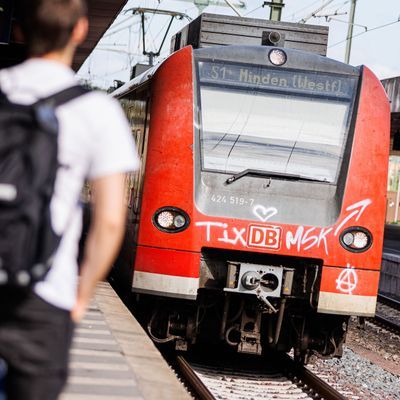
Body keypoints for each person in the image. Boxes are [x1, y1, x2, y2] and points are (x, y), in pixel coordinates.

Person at [0, 0, 139, 399]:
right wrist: (79, 298)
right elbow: (111, 220)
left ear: (19, 31)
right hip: (45, 295)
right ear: (80, 30)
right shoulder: (97, 111)